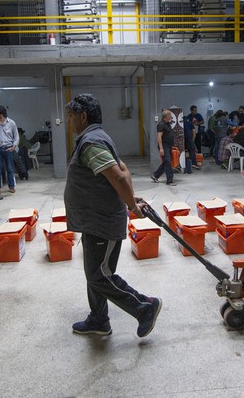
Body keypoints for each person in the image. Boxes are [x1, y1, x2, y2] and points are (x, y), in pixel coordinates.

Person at [64, 93, 161, 338]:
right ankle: (99, 319)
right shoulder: (97, 136)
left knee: (99, 275)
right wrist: (131, 199)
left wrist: (131, 204)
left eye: (71, 115)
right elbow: (124, 170)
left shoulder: (91, 142)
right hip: (94, 220)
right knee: (95, 273)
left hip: (101, 222)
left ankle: (144, 307)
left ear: (83, 116)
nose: (68, 121)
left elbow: (118, 176)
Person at [0, 105, 19, 195]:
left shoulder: (11, 123)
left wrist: (14, 146)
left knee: (10, 169)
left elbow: (16, 136)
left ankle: (11, 187)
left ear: (1, 113)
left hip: (8, 148)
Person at [151, 109, 176, 186]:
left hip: (168, 145)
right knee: (168, 162)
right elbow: (159, 137)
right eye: (170, 115)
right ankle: (169, 181)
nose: (171, 116)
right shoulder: (161, 124)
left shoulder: (167, 123)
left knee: (166, 161)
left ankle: (155, 175)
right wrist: (161, 148)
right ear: (167, 116)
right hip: (164, 146)